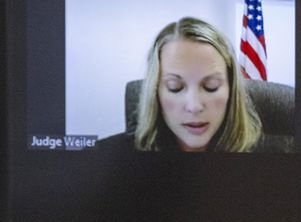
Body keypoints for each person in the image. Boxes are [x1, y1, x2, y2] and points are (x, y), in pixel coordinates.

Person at [99, 17, 264, 153]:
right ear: (156, 92)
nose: (194, 106)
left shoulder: (270, 162)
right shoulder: (108, 159)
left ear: (231, 89)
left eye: (211, 86)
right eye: (175, 87)